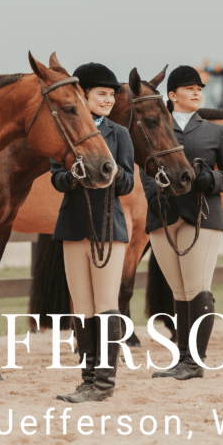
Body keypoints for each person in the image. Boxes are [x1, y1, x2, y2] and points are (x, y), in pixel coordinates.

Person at [147, 65, 223, 380]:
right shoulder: (154, 129)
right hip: (162, 214)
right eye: (190, 88)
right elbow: (143, 170)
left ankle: (194, 362)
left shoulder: (216, 132)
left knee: (197, 287)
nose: (197, 92)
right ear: (171, 95)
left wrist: (207, 178)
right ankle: (183, 358)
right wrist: (153, 193)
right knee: (179, 290)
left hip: (203, 214)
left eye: (199, 88)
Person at [54, 62, 135, 403]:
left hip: (107, 224)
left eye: (111, 95)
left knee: (105, 304)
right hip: (73, 225)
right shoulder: (67, 132)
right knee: (83, 306)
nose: (108, 100)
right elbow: (56, 177)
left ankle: (105, 383)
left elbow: (129, 182)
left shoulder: (120, 134)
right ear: (83, 96)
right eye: (101, 94)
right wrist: (72, 177)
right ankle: (88, 380)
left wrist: (114, 173)